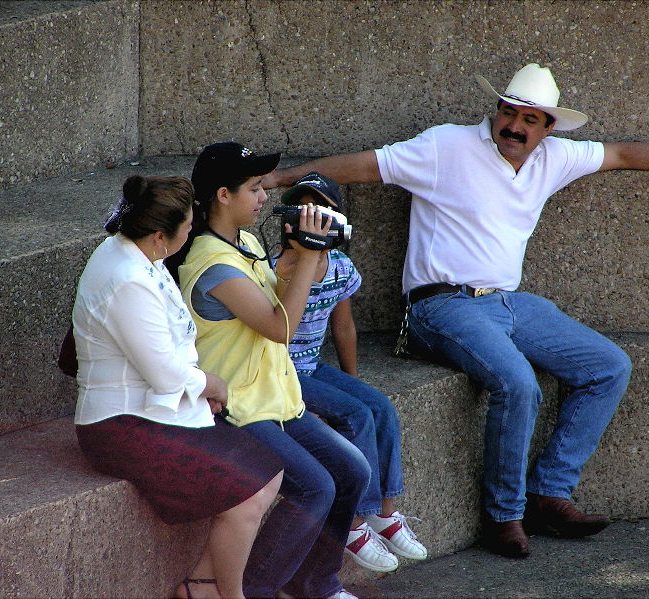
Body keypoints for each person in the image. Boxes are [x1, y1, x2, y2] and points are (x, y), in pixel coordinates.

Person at [263, 63, 649, 559]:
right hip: (440, 304)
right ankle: (503, 517)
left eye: (529, 120)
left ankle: (550, 492)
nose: (514, 126)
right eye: (508, 113)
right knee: (517, 382)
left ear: (548, 128)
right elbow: (365, 165)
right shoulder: (447, 146)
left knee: (608, 365)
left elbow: (620, 153)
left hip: (509, 302)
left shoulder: (556, 157)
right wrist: (283, 179)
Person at [167, 142, 369, 599]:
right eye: (255, 188)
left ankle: (315, 582)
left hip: (277, 398)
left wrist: (308, 255)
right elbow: (281, 327)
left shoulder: (247, 243)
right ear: (222, 195)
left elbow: (285, 291)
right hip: (237, 406)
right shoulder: (213, 263)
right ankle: (249, 591)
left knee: (353, 470)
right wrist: (306, 259)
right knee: (315, 487)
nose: (265, 197)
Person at [72, 174, 284, 599]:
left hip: (155, 409)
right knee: (245, 496)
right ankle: (230, 594)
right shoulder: (126, 278)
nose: (193, 230)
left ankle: (203, 584)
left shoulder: (138, 253)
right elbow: (166, 375)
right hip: (121, 424)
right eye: (188, 226)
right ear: (158, 235)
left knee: (270, 472)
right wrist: (213, 384)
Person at [278, 173, 428, 573]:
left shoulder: (342, 267)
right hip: (279, 370)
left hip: (312, 364)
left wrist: (353, 380)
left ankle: (385, 513)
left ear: (338, 219)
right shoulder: (277, 265)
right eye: (302, 210)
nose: (312, 219)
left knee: (377, 405)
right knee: (356, 415)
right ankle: (354, 525)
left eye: (321, 211)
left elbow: (344, 327)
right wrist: (292, 262)